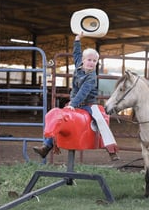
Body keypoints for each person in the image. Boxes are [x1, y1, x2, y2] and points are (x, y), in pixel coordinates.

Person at [33, 32, 119, 161]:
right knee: (59, 118)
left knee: (100, 121)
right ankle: (46, 146)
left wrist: (72, 104)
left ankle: (111, 149)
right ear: (83, 61)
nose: (91, 63)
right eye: (89, 60)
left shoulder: (91, 77)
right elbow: (76, 53)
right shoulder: (79, 64)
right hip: (74, 102)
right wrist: (77, 39)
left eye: (94, 61)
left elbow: (83, 93)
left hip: (88, 104)